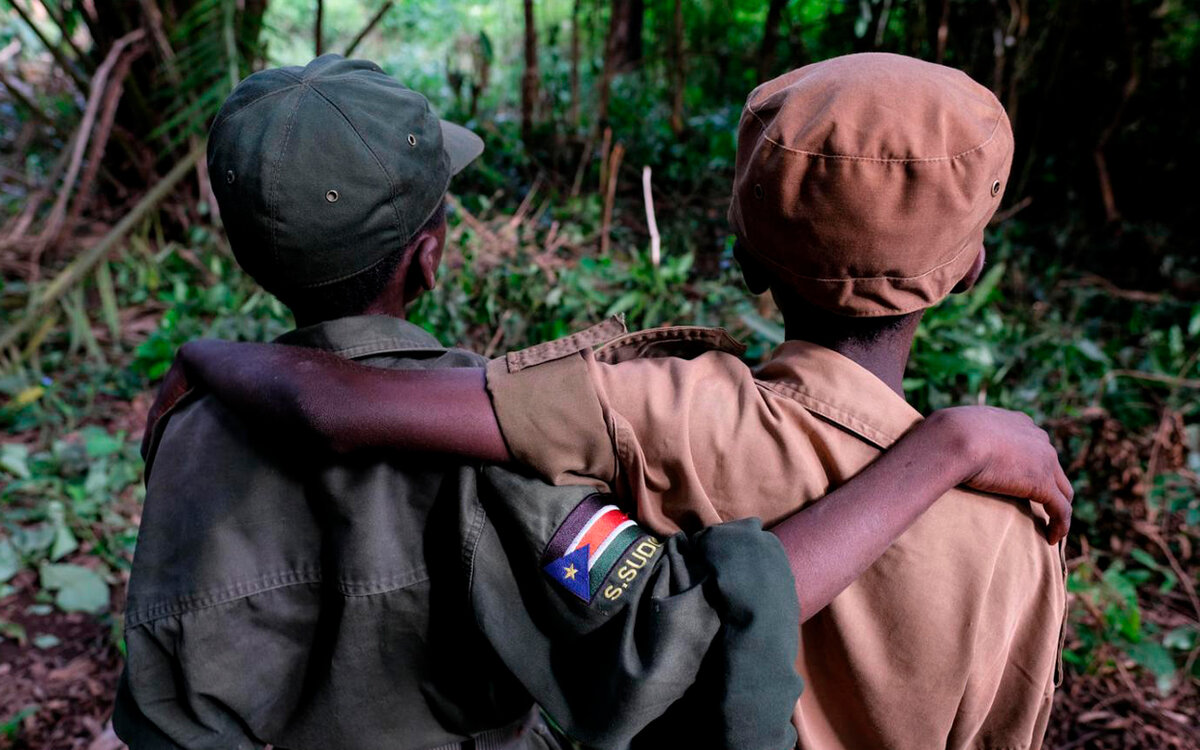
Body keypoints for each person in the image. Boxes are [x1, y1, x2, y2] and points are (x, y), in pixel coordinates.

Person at [135, 55, 1073, 749]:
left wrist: (206, 355)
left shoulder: (183, 429)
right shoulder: (497, 463)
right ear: (432, 252)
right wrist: (944, 449)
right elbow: (665, 627)